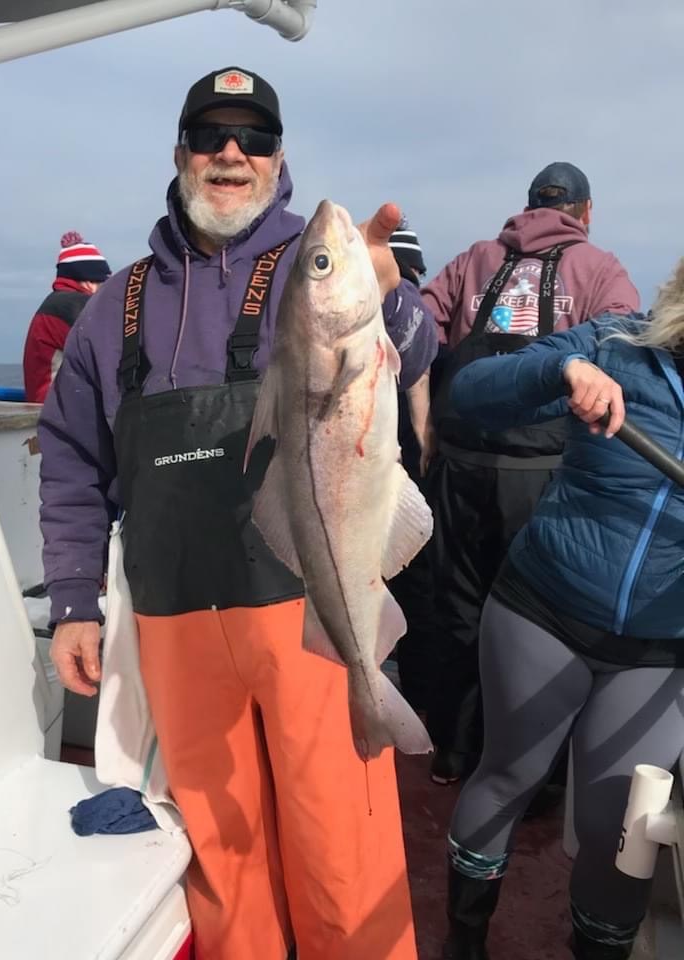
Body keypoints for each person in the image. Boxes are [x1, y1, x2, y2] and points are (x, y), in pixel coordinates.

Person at [37, 66, 439, 960]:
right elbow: (69, 458)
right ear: (181, 152)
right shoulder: (113, 307)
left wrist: (391, 300)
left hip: (305, 606)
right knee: (221, 854)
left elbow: (414, 355)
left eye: (253, 137)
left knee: (341, 847)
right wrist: (72, 601)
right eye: (210, 136)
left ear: (278, 157)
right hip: (175, 614)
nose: (231, 153)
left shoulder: (316, 268)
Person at [438, 258, 684, 960]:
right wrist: (559, 372)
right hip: (544, 610)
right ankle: (464, 941)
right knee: (509, 775)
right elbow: (470, 394)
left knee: (620, 829)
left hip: (657, 650)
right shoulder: (616, 344)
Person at [419, 162, 641, 784]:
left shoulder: (475, 258)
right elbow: (623, 349)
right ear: (586, 212)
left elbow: (419, 332)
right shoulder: (600, 268)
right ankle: (525, 771)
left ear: (528, 207)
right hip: (544, 477)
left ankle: (453, 750)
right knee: (534, 622)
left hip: (458, 471)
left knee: (456, 609)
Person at [387, 218, 436, 710]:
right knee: (414, 589)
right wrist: (424, 442)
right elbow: (419, 380)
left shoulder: (369, 302)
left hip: (365, 468)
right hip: (402, 472)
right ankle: (417, 698)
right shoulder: (415, 307)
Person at [22, 231, 111, 403]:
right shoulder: (75, 306)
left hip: (46, 402)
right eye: (103, 283)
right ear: (89, 282)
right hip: (57, 407)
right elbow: (109, 351)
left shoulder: (58, 303)